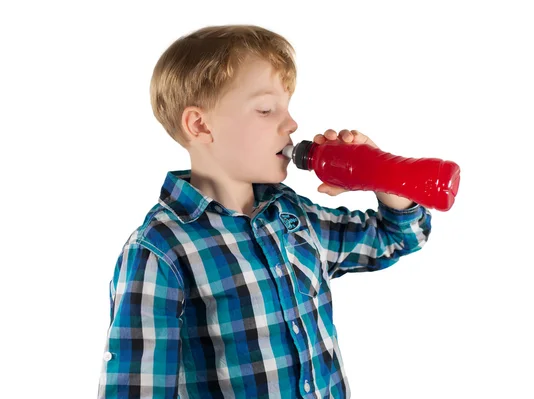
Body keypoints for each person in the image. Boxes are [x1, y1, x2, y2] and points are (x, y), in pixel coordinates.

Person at [97, 24, 432, 399]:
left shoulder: (293, 217)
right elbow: (135, 388)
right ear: (200, 125)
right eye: (266, 109)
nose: (291, 124)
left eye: (287, 109)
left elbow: (398, 236)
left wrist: (379, 172)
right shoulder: (158, 250)